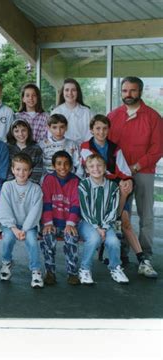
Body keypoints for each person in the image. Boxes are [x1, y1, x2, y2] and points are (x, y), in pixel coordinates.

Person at [80, 114, 157, 277]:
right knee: (119, 217)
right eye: (98, 128)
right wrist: (119, 179)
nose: (101, 132)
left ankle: (142, 260)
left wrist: (127, 181)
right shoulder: (86, 147)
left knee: (126, 221)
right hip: (97, 194)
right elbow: (97, 172)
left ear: (109, 130)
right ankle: (115, 251)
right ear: (92, 130)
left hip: (115, 190)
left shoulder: (115, 148)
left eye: (105, 128)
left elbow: (125, 172)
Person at [108, 76, 163, 270]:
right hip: (120, 175)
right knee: (121, 214)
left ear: (140, 91)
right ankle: (120, 253)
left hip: (144, 172)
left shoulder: (153, 117)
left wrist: (136, 167)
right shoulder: (113, 116)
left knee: (146, 215)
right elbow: (108, 146)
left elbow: (158, 148)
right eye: (124, 91)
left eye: (132, 90)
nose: (128, 94)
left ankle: (145, 255)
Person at [78, 154, 129, 284]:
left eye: (99, 165)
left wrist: (104, 227)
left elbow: (114, 210)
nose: (96, 169)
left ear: (105, 167)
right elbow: (85, 210)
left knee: (114, 242)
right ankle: (84, 269)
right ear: (87, 169)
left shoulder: (113, 187)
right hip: (87, 223)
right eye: (91, 166)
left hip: (107, 224)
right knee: (94, 239)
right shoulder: (83, 185)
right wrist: (97, 227)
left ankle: (115, 267)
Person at [0, 153, 44, 288]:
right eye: (18, 169)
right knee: (7, 238)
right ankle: (6, 263)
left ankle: (36, 270)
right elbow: (5, 209)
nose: (21, 172)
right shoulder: (7, 186)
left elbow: (35, 212)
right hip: (11, 225)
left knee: (31, 240)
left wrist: (24, 229)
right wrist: (14, 229)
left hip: (28, 225)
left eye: (25, 169)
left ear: (30, 171)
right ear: (12, 170)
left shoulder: (36, 189)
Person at [40, 151, 81, 286]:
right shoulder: (48, 179)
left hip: (68, 222)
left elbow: (76, 204)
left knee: (71, 239)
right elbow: (46, 203)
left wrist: (70, 224)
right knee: (48, 239)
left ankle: (72, 273)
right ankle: (50, 272)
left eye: (66, 164)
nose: (62, 167)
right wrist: (47, 223)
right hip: (52, 222)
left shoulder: (75, 181)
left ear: (70, 166)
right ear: (53, 165)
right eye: (58, 164)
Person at [51, 78, 93, 146]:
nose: (70, 93)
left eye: (73, 90)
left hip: (83, 150)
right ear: (63, 92)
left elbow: (91, 134)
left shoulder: (86, 112)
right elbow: (51, 134)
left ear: (78, 92)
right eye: (67, 90)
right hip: (61, 150)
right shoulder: (56, 112)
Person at [6, 119, 43, 184]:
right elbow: (6, 168)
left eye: (23, 130)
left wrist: (28, 185)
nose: (20, 134)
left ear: (28, 131)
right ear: (12, 133)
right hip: (11, 184)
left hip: (31, 185)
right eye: (16, 131)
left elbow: (38, 169)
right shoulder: (7, 148)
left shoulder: (36, 149)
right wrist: (13, 184)